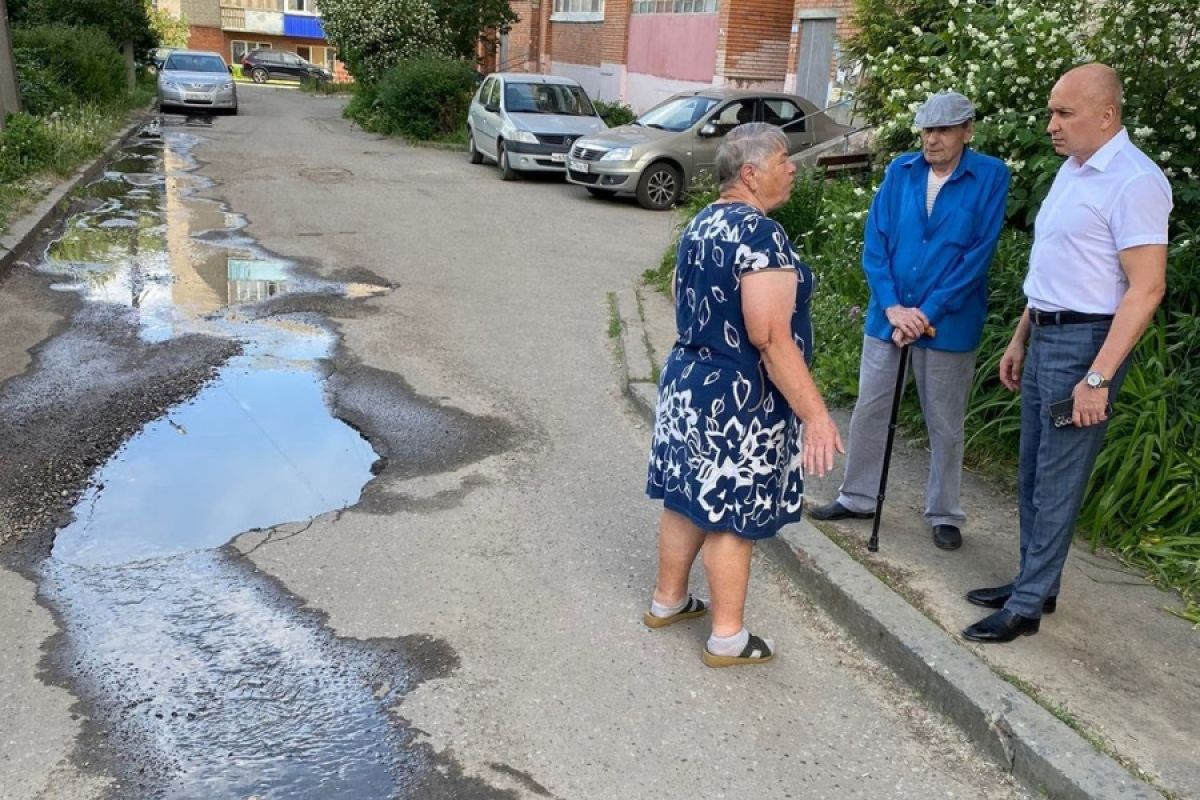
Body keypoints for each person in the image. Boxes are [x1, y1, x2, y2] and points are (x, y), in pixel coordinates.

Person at [963, 64, 1171, 643]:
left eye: (1064, 113)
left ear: (1106, 116)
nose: (1051, 124)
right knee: (1032, 468)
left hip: (1087, 346)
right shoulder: (1072, 172)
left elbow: (1147, 288)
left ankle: (1027, 605)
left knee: (1058, 476)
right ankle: (1037, 580)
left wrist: (1098, 378)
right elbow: (1055, 265)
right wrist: (1020, 335)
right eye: (1052, 111)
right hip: (1047, 333)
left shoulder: (1135, 181)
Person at [644, 123, 843, 667]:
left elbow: (685, 295)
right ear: (751, 174)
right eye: (784, 158)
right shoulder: (759, 233)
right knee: (732, 516)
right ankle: (727, 639)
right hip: (739, 399)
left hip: (689, 384)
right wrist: (817, 416)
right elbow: (770, 337)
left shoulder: (702, 222)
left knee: (686, 500)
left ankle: (668, 601)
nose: (794, 166)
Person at [808, 91, 1010, 551]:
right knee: (870, 409)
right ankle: (857, 496)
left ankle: (944, 511)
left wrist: (926, 314)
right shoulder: (901, 171)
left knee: (945, 421)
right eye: (926, 130)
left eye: (942, 130)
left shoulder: (990, 176)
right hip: (889, 318)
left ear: (967, 131)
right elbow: (875, 243)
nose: (931, 139)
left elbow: (977, 256)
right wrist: (892, 307)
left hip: (949, 324)